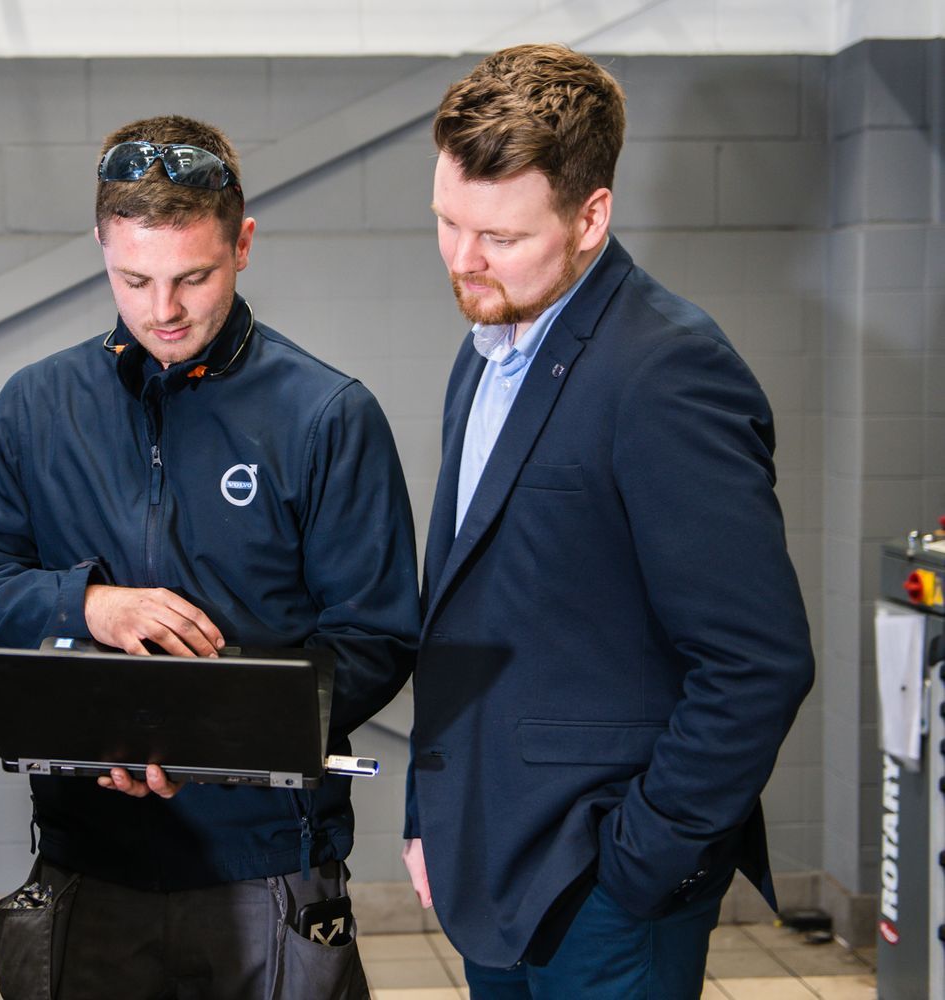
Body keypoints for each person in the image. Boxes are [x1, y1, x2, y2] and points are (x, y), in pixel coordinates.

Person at [0, 114, 419, 1000]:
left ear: (243, 245)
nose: (164, 310)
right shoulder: (35, 407)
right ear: (101, 248)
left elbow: (376, 638)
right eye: (135, 279)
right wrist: (90, 606)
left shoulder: (327, 416)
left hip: (267, 867)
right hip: (88, 862)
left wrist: (208, 736)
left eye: (194, 277)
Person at [402, 44, 815, 999]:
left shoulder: (667, 370)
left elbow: (757, 663)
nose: (463, 260)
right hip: (490, 861)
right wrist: (434, 812)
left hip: (603, 891)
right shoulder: (488, 346)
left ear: (590, 217)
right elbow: (465, 615)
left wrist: (639, 863)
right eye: (447, 222)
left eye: (499, 236)